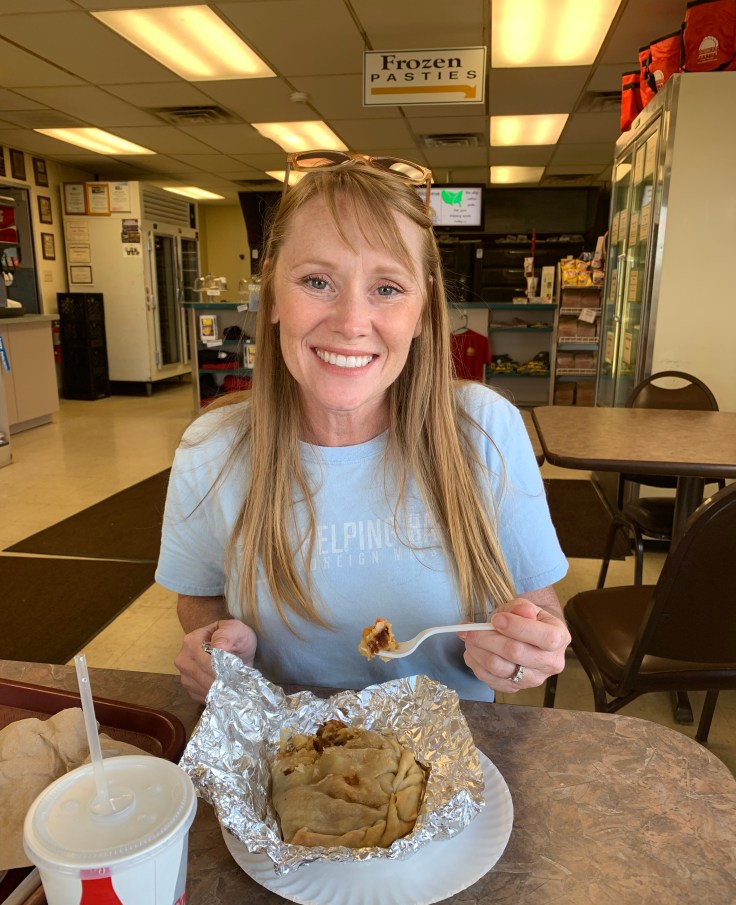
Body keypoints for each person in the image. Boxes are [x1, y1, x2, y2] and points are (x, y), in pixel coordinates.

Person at [156, 150, 570, 705]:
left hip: (454, 744)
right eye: (317, 281)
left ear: (423, 308)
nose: (351, 323)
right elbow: (200, 597)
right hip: (285, 745)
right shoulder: (211, 447)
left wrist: (526, 653)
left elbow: (539, 607)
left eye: (388, 288)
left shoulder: (486, 429)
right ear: (272, 291)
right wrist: (218, 643)